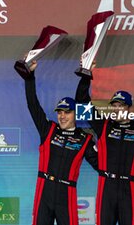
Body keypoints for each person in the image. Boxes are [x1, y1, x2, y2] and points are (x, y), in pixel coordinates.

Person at [19, 60, 98, 225]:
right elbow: (33, 105)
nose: (62, 116)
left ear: (76, 114)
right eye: (60, 112)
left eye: (67, 112)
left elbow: (101, 166)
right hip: (44, 190)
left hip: (66, 193)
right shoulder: (48, 130)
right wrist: (29, 77)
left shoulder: (85, 139)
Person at [75, 68, 134, 225]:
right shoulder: (105, 126)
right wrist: (86, 74)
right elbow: (82, 102)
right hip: (107, 187)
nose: (116, 109)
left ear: (130, 109)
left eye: (121, 106)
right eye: (114, 105)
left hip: (130, 188)